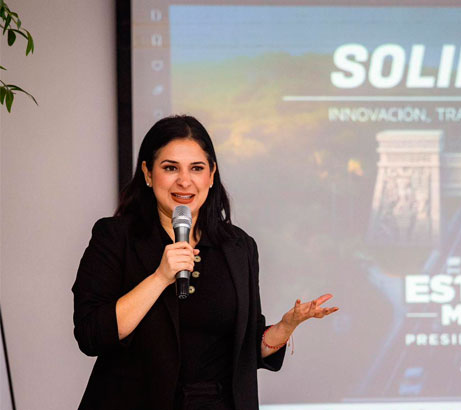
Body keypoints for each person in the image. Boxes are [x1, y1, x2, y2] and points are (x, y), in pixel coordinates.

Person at [72, 115, 338, 410]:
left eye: (196, 168)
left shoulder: (238, 247)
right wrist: (160, 278)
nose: (184, 181)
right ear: (148, 173)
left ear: (211, 176)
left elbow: (246, 351)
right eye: (170, 168)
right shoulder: (114, 237)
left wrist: (286, 327)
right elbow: (91, 335)